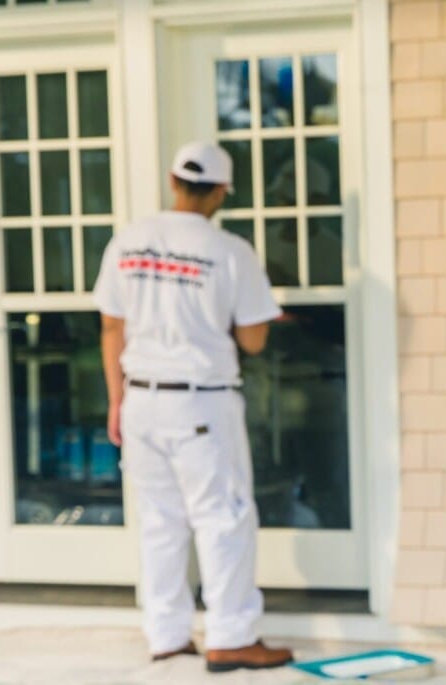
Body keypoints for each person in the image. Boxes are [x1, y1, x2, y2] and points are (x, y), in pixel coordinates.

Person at [94, 141, 294, 673]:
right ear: (223, 191)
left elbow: (111, 327)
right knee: (222, 519)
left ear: (173, 180)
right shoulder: (230, 250)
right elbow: (252, 340)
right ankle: (230, 635)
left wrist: (117, 400)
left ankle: (167, 634)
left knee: (159, 522)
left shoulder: (128, 241)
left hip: (140, 399)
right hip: (200, 404)